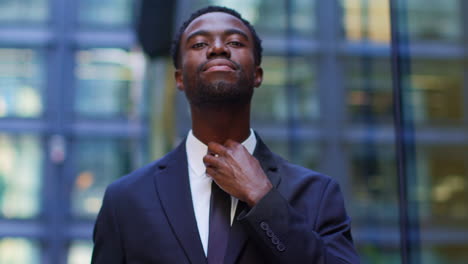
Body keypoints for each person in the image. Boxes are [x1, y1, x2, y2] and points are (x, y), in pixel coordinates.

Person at [91, 5, 360, 264]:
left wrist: (263, 198)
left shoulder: (317, 193)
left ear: (257, 74)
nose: (218, 48)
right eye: (198, 44)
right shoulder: (125, 200)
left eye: (235, 43)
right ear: (179, 79)